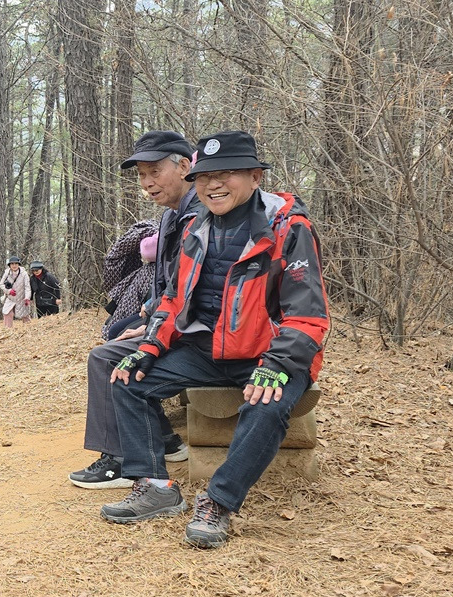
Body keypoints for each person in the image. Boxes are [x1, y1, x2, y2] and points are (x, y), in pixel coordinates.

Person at [104, 130, 329, 548]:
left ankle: (219, 502)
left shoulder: (288, 226)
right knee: (127, 379)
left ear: (255, 177)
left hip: (270, 353)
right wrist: (150, 346)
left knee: (266, 405)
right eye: (206, 176)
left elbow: (307, 315)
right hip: (209, 348)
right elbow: (174, 298)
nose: (214, 185)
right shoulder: (196, 226)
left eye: (227, 174)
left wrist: (278, 365)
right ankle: (155, 487)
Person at [70, 131, 200, 490]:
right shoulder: (172, 216)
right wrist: (148, 314)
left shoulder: (199, 215)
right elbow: (169, 284)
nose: (147, 183)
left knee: (106, 358)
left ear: (184, 167)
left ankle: (120, 459)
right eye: (142, 175)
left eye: (155, 172)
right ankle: (164, 439)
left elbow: (193, 290)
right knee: (117, 332)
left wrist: (153, 326)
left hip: (194, 331)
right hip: (174, 320)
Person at [102, 224, 158, 342]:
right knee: (114, 329)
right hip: (149, 306)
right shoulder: (148, 270)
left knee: (115, 331)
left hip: (158, 309)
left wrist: (150, 304)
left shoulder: (163, 267)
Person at [0, 256, 32, 327]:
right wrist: (8, 291)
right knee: (7, 313)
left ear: (18, 264)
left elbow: (27, 287)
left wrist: (27, 298)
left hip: (22, 298)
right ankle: (8, 330)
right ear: (9, 265)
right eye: (12, 264)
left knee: (25, 315)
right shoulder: (7, 273)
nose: (14, 265)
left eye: (16, 264)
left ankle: (29, 329)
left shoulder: (24, 274)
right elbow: (1, 284)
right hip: (10, 298)